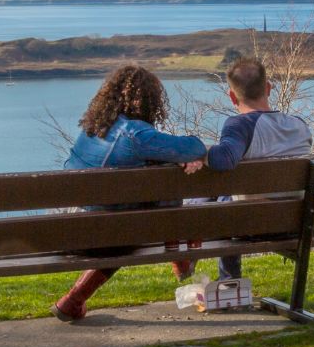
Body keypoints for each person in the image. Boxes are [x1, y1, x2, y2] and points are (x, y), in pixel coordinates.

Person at [52, 64, 209, 323]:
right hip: (108, 235)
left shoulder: (92, 129)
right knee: (137, 216)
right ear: (151, 101)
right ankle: (179, 256)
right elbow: (195, 146)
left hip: (66, 228)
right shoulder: (136, 134)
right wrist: (181, 160)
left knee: (123, 222)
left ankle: (73, 301)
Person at [202, 56, 313, 282]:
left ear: (232, 96)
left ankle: (229, 282)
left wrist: (195, 151)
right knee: (225, 197)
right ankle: (228, 282)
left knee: (207, 201)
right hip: (297, 222)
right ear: (268, 88)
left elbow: (224, 159)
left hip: (252, 223)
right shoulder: (299, 126)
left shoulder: (239, 125)